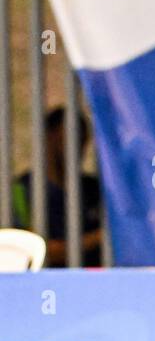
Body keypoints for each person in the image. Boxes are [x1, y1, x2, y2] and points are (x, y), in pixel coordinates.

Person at [12, 106, 104, 267]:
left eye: (82, 141)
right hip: (44, 286)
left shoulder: (94, 189)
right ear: (48, 138)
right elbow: (35, 250)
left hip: (95, 283)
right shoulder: (20, 190)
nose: (77, 148)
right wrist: (100, 237)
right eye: (69, 139)